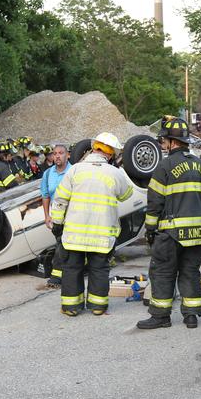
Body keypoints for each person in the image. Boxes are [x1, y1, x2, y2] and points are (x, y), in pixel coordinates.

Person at [137, 118, 201, 330]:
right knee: (190, 272)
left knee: (162, 272)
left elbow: (155, 202)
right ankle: (191, 316)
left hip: (172, 233)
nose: (162, 145)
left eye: (164, 141)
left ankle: (161, 316)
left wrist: (150, 229)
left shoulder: (165, 165)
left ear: (172, 142)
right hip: (198, 233)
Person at [50, 132, 133, 317]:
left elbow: (60, 199)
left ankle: (71, 307)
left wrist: (57, 223)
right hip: (102, 236)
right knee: (99, 269)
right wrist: (118, 171)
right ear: (111, 154)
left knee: (72, 268)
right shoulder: (115, 173)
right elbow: (126, 195)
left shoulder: (75, 170)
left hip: (74, 234)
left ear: (93, 148)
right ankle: (97, 306)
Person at [41, 144, 72, 287]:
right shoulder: (48, 174)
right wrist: (47, 216)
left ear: (68, 155)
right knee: (61, 244)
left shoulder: (74, 171)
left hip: (72, 216)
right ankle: (65, 273)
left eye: (60, 153)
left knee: (63, 244)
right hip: (56, 217)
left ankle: (57, 275)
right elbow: (46, 196)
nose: (57, 156)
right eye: (55, 153)